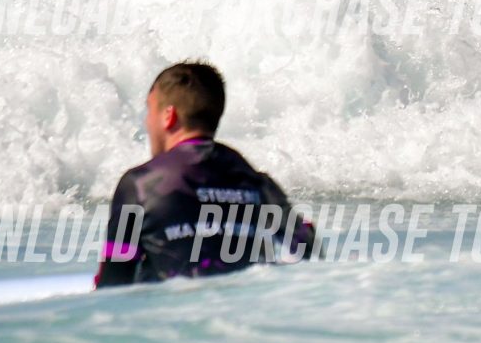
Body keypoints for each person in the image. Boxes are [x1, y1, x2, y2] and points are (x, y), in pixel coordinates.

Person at [94, 61, 315, 287]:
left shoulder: (139, 185)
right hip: (246, 303)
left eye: (150, 110)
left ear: (169, 115)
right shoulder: (255, 182)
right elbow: (308, 248)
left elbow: (113, 284)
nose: (147, 121)